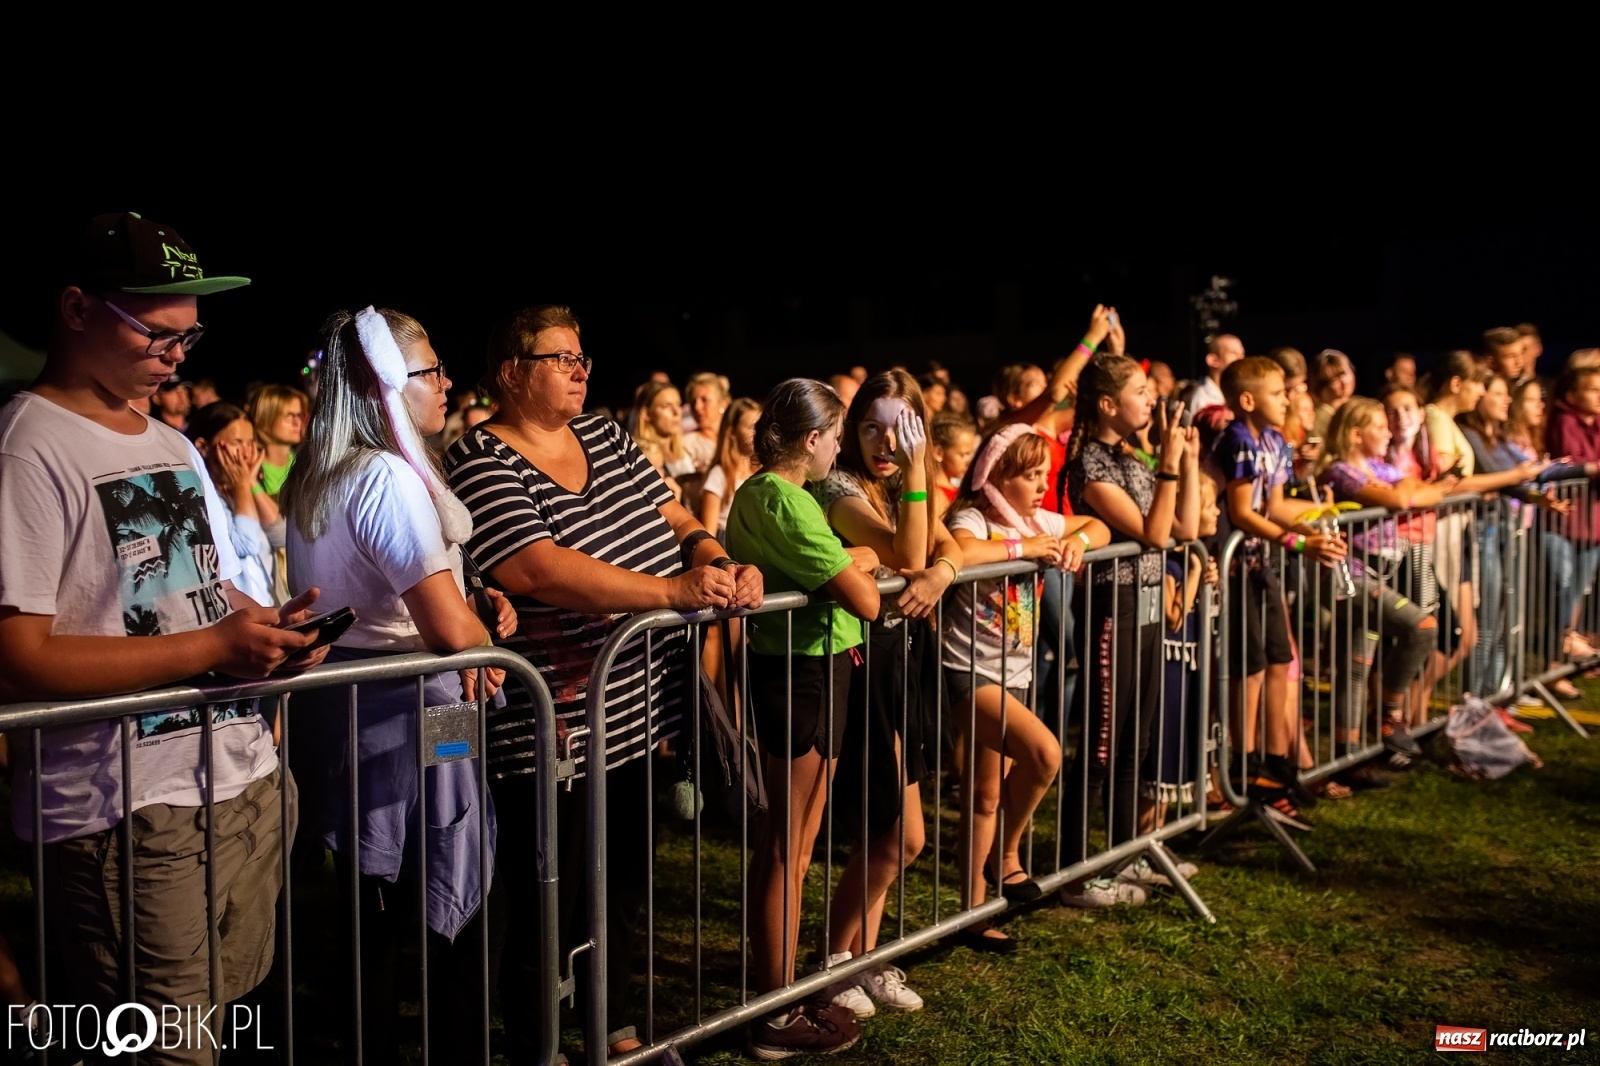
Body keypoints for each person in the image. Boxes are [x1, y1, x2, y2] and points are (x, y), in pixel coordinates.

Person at [0, 211, 327, 1066]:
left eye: (191, 333)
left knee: (211, 1026)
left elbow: (198, 597)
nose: (178, 350)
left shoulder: (173, 442)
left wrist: (267, 636)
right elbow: (18, 658)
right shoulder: (28, 448)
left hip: (239, 780)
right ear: (76, 309)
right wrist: (215, 647)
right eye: (157, 329)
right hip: (124, 810)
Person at [444, 304, 760, 1061]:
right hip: (549, 726)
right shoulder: (479, 456)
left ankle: (614, 1027)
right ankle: (542, 1044)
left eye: (582, 356)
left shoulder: (606, 435)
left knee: (620, 886)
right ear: (512, 371)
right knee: (545, 901)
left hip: (635, 709)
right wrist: (670, 596)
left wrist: (711, 557)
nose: (581, 369)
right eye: (561, 357)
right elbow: (536, 567)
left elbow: (672, 512)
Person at [282, 307, 517, 1065]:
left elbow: (400, 594)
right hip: (415, 713)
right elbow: (445, 630)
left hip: (355, 706)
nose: (447, 384)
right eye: (432, 372)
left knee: (370, 906)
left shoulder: (322, 471)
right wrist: (474, 628)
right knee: (454, 890)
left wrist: (475, 604)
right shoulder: (385, 474)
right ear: (388, 386)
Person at [724, 377, 876, 1059]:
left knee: (791, 842)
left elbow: (849, 576)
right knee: (792, 843)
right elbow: (865, 600)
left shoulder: (769, 492)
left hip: (806, 668)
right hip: (803, 671)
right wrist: (861, 562)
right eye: (837, 437)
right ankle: (776, 1011)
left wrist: (855, 564)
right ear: (812, 440)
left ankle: (775, 989)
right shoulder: (784, 500)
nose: (840, 449)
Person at [811, 370, 963, 1010]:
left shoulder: (899, 484)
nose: (883, 441)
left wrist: (944, 570)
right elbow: (908, 547)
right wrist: (918, 559)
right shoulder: (840, 486)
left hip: (903, 667)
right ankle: (833, 960)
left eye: (897, 428)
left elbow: (945, 543)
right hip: (862, 667)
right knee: (898, 836)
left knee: (887, 833)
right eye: (871, 426)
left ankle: (863, 959)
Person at [945, 425, 1108, 930]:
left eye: (1044, 473)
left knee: (988, 793)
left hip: (1014, 670)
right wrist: (1024, 550)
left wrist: (1075, 542)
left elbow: (1099, 526)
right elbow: (964, 552)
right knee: (1045, 754)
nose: (1042, 484)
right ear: (997, 476)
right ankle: (1007, 857)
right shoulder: (975, 517)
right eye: (1031, 474)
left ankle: (974, 908)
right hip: (969, 671)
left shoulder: (1036, 518)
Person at [1061, 355, 1200, 907]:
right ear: (1107, 404)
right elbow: (1156, 533)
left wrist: (1183, 460)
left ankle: (1123, 853)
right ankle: (1076, 871)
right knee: (1100, 744)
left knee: (1134, 742)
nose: (1152, 400)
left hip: (1143, 605)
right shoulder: (1092, 465)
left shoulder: (1133, 458)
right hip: (1110, 608)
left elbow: (1186, 527)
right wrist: (1166, 463)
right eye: (1142, 392)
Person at [1211, 357, 1345, 810]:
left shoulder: (1275, 441)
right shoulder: (1239, 439)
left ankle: (1276, 762)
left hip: (1261, 563)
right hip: (1235, 568)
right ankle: (1243, 762)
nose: (1287, 399)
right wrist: (1297, 543)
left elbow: (1276, 505)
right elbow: (1243, 512)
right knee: (1247, 667)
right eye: (1278, 392)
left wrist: (1315, 525)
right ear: (1248, 400)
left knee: (1277, 658)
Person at [1314, 398, 1448, 773]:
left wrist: (1405, 486)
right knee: (1422, 627)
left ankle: (1348, 760)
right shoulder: (1340, 472)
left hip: (1372, 577)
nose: (1389, 431)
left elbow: (1425, 492)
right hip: (1348, 579)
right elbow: (1405, 496)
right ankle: (1390, 714)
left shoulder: (1375, 467)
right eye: (1379, 425)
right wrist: (1404, 486)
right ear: (1356, 434)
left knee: (1355, 668)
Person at [188, 401, 279, 606]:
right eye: (237, 442)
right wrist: (242, 486)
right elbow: (247, 544)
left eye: (250, 442)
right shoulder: (203, 497)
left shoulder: (239, 490)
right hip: (238, 619)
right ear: (202, 447)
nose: (247, 453)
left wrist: (251, 483)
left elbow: (280, 534)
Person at [1544, 364, 1600, 661]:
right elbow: (1572, 461)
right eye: (1593, 389)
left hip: (1592, 526)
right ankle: (1556, 659)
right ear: (1572, 394)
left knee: (1578, 591)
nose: (1599, 395)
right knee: (1562, 591)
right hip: (1563, 522)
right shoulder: (1564, 421)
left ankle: (1568, 656)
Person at [699, 396, 762, 540]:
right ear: (732, 432)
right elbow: (709, 534)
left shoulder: (762, 472)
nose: (758, 433)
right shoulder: (719, 475)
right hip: (728, 544)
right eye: (751, 427)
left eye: (760, 426)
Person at [684, 370, 731, 472]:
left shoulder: (735, 437)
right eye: (693, 402)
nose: (697, 407)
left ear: (723, 403)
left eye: (704, 400)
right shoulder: (687, 443)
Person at [1186, 333, 1244, 412]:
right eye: (1234, 353)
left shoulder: (1240, 395)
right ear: (1213, 360)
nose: (1241, 358)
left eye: (1242, 354)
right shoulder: (1202, 398)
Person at [1309, 348, 1356, 442]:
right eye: (1335, 379)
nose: (1344, 381)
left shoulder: (1356, 407)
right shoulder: (1320, 417)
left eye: (1345, 373)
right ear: (1322, 385)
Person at [930, 411, 977, 504]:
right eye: (963, 455)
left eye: (970, 454)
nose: (968, 462)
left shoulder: (956, 490)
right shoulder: (935, 496)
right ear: (938, 453)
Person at [1484, 326, 1532, 391]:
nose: (1520, 362)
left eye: (1521, 354)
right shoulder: (1480, 391)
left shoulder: (1523, 384)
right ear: (1490, 362)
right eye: (1511, 356)